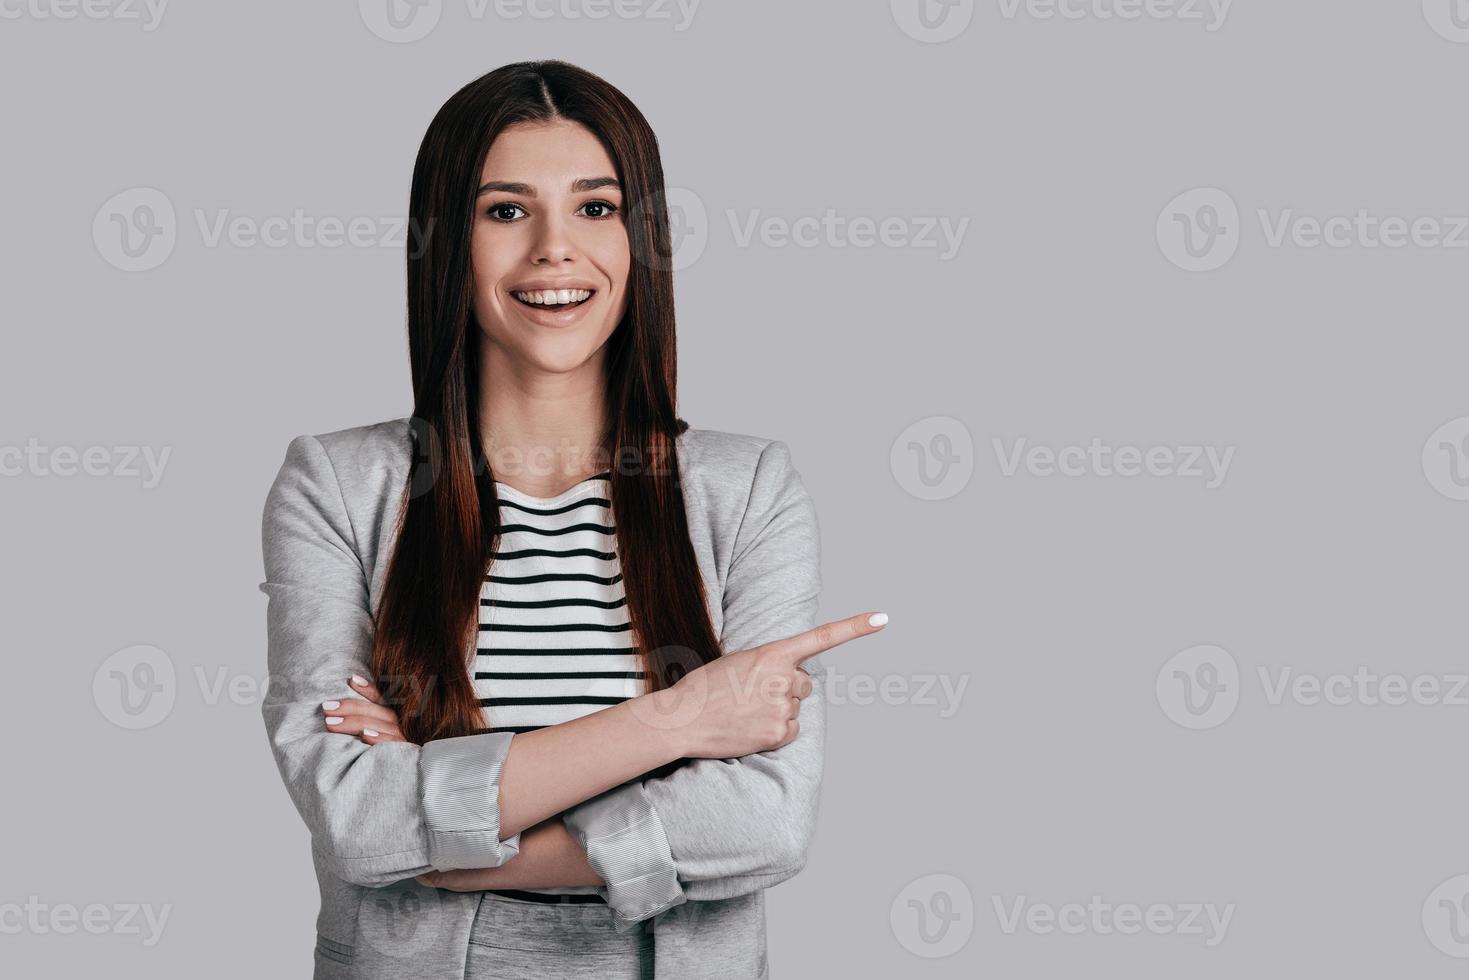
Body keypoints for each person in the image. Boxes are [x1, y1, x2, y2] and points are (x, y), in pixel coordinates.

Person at [259, 59, 887, 979]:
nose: (556, 249)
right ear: (446, 242)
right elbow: (358, 819)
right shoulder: (338, 484)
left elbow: (762, 824)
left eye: (596, 208)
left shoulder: (745, 487)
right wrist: (677, 722)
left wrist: (458, 846)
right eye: (504, 210)